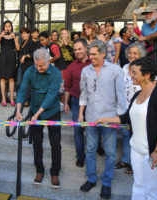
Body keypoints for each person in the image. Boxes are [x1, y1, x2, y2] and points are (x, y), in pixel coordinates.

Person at [96, 57, 157, 200]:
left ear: (147, 75)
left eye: (134, 73)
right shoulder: (138, 94)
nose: (131, 76)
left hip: (154, 151)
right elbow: (126, 118)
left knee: (153, 191)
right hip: (137, 150)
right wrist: (106, 119)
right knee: (138, 185)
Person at [79, 40, 126, 199]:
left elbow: (121, 95)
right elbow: (83, 94)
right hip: (91, 117)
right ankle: (91, 179)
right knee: (90, 150)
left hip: (109, 119)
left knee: (110, 153)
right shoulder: (85, 71)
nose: (90, 57)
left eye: (93, 54)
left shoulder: (116, 70)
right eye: (89, 54)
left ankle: (107, 183)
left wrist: (119, 117)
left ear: (103, 53)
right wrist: (80, 114)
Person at [16, 49, 62, 189]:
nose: (38, 68)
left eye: (41, 65)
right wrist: (18, 111)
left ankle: (55, 172)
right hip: (35, 108)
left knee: (55, 143)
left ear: (49, 61)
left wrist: (37, 115)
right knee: (37, 142)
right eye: (36, 65)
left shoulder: (56, 73)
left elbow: (51, 95)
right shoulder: (30, 71)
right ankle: (39, 170)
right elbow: (23, 90)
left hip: (52, 111)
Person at [115, 43, 146, 175]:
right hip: (124, 107)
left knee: (137, 136)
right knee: (126, 134)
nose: (132, 55)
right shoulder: (124, 67)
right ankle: (125, 160)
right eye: (130, 53)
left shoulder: (145, 68)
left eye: (135, 53)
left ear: (141, 55)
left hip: (138, 109)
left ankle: (136, 164)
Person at [63, 39, 91, 167]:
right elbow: (67, 86)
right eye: (75, 50)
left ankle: (98, 147)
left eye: (80, 49)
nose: (77, 52)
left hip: (93, 103)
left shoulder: (94, 63)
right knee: (77, 130)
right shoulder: (71, 67)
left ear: (86, 48)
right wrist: (66, 103)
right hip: (76, 101)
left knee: (93, 129)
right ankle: (80, 156)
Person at [0, 20, 20, 106]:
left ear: (11, 27)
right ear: (4, 27)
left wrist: (14, 38)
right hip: (3, 58)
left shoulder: (15, 36)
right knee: (2, 78)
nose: (8, 27)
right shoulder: (0, 36)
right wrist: (0, 36)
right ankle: (3, 98)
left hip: (11, 58)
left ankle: (11, 97)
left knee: (11, 78)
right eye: (6, 26)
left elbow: (18, 48)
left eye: (9, 26)